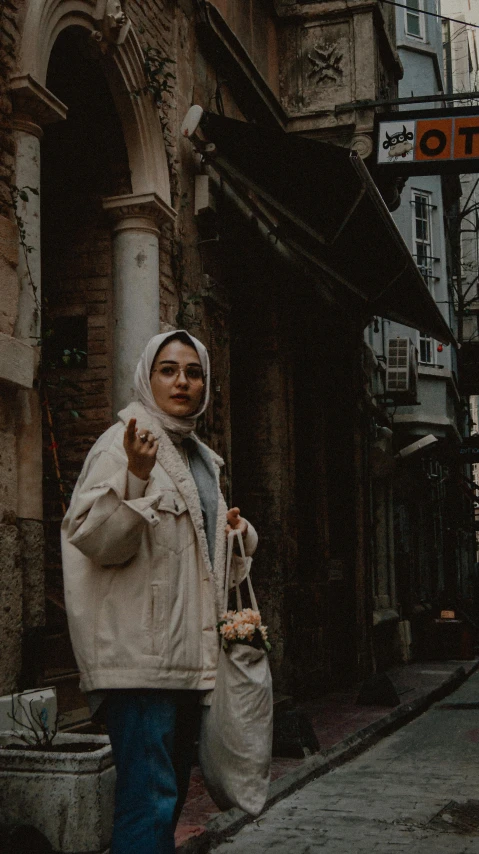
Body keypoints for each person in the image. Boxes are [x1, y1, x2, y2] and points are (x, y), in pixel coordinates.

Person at [61, 330, 258, 854]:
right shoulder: (123, 442)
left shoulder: (199, 458)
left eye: (193, 372)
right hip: (140, 662)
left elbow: (203, 568)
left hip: (186, 661)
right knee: (148, 804)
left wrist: (233, 534)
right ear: (147, 378)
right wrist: (135, 476)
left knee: (162, 807)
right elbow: (91, 538)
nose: (182, 382)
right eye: (168, 370)